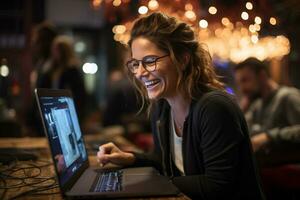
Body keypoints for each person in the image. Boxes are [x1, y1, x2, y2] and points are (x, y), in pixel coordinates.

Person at [97, 13, 265, 199]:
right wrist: (131, 158)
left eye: (150, 61)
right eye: (135, 64)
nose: (139, 73)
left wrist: (150, 182)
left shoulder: (214, 107)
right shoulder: (161, 108)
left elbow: (218, 185)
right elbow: (165, 161)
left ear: (183, 59)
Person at [234, 57, 300, 165]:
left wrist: (268, 137)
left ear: (262, 76)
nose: (242, 89)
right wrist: (241, 110)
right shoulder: (257, 105)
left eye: (245, 80)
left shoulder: (288, 96)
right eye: (239, 83)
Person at [40, 36, 87, 119]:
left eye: (58, 49)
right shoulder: (50, 70)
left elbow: (80, 95)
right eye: (54, 49)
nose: (55, 52)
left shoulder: (72, 70)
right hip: (51, 108)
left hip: (68, 110)